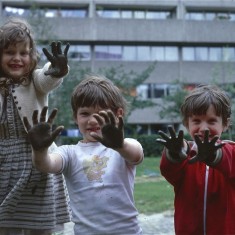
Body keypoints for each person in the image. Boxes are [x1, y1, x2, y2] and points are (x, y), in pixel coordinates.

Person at [23, 75, 144, 235]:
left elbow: (136, 155)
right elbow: (45, 164)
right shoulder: (69, 152)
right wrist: (39, 150)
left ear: (118, 114)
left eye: (101, 113)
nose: (93, 120)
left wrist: (120, 145)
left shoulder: (123, 147)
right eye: (85, 113)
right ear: (75, 117)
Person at [0, 18, 71, 234]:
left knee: (40, 224)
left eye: (24, 53)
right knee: (5, 223)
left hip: (37, 158)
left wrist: (57, 69)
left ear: (32, 57)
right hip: (4, 164)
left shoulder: (34, 80)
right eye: (9, 52)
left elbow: (47, 78)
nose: (17, 58)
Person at [157, 84, 235, 235]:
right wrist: (174, 154)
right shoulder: (185, 156)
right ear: (187, 124)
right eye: (197, 121)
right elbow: (168, 171)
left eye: (212, 121)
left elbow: (230, 163)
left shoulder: (231, 151)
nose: (204, 128)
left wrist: (213, 155)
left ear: (225, 124)